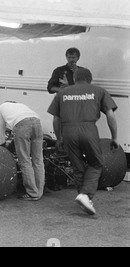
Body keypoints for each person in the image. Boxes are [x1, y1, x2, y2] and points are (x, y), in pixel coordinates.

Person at [47, 67, 119, 215]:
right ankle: (86, 195)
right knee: (96, 163)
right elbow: (110, 115)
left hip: (68, 131)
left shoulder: (62, 93)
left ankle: (83, 197)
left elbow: (56, 119)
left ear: (75, 78)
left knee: (77, 166)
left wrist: (59, 137)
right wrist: (114, 137)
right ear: (90, 78)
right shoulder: (98, 91)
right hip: (88, 129)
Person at [0, 102, 45, 201]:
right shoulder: (20, 105)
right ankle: (39, 191)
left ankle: (32, 193)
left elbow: (0, 129)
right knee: (38, 160)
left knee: (25, 160)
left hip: (22, 124)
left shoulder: (0, 108)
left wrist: (1, 145)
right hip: (37, 122)